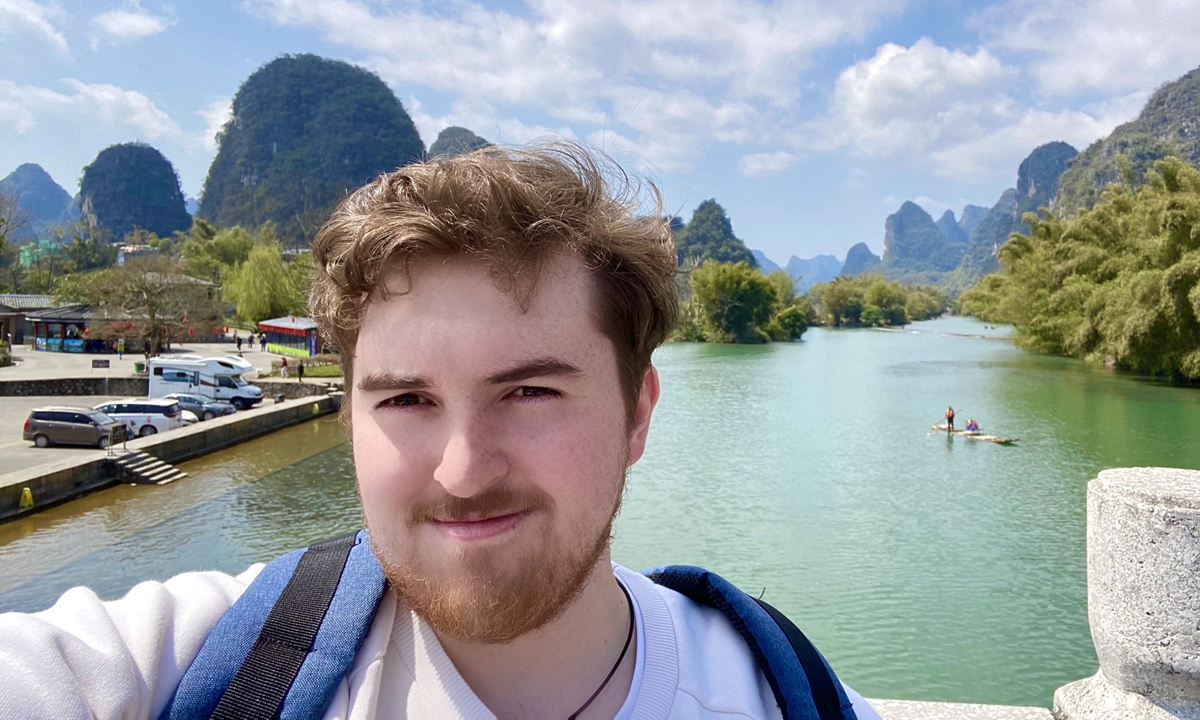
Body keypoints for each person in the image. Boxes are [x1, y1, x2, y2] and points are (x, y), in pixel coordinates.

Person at [0, 143, 879, 720]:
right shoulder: (214, 664)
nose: (462, 472)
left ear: (637, 412)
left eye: (530, 391)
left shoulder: (781, 692)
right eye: (405, 401)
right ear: (349, 418)